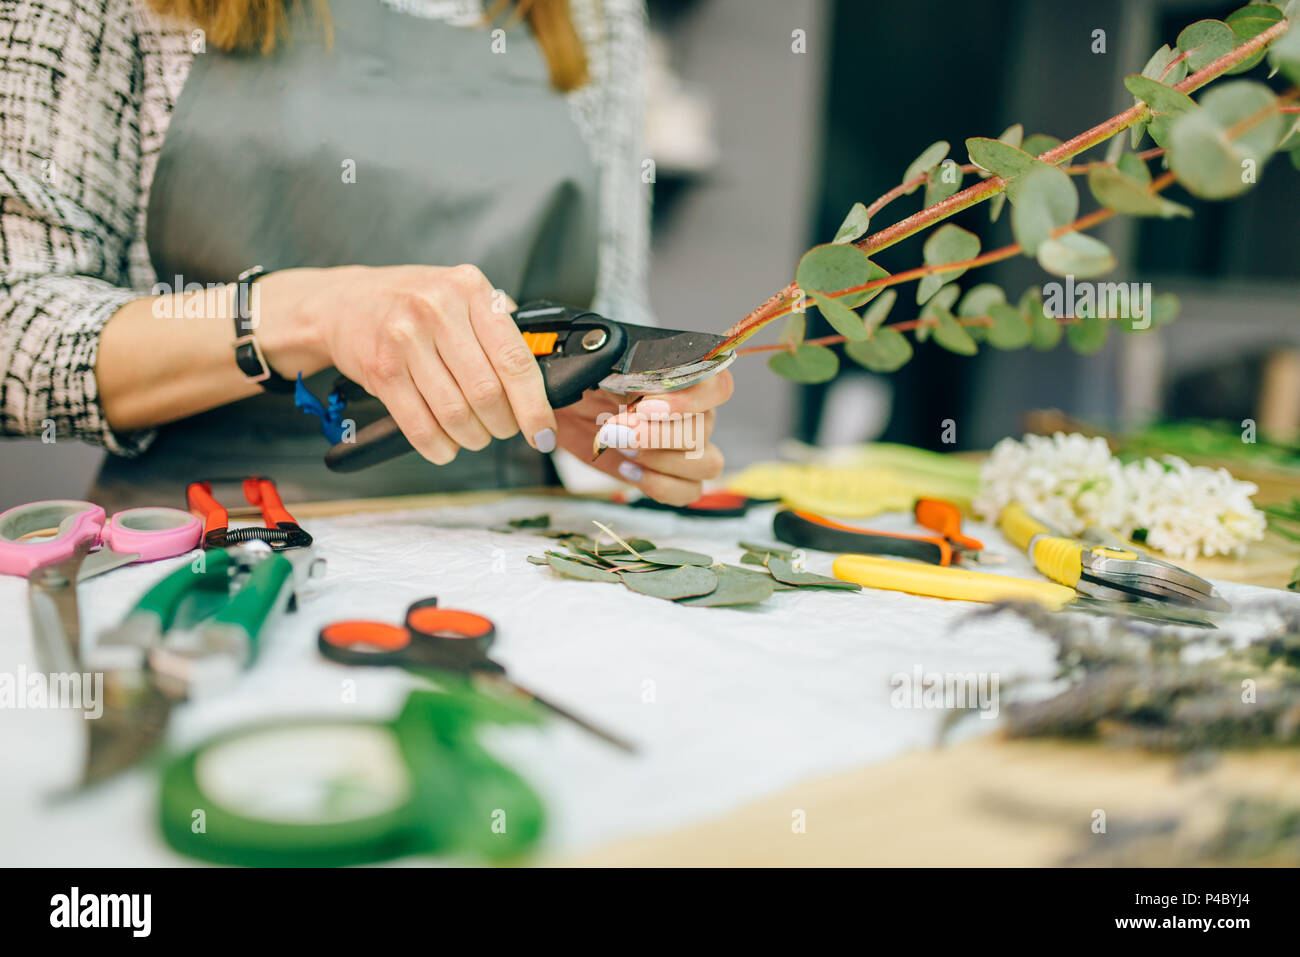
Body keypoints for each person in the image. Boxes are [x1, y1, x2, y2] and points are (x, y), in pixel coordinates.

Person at [0, 0, 733, 510]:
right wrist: (311, 314)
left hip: (516, 550)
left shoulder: (594, 12)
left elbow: (615, 301)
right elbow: (15, 335)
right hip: (208, 542)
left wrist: (629, 402)